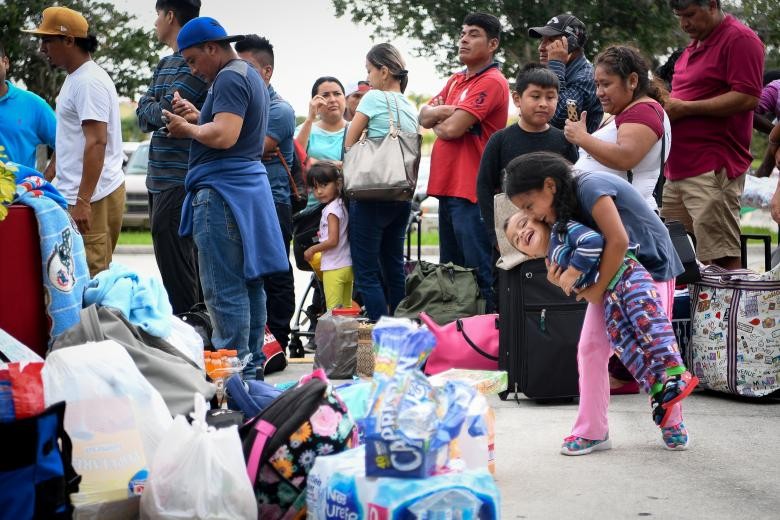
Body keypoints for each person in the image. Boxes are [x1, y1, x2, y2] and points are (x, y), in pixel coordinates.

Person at [504, 151, 690, 453]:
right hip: (613, 272)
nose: (532, 216)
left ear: (549, 186)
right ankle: (592, 431)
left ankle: (672, 420)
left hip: (650, 267)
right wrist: (571, 283)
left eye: (528, 206)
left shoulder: (588, 187)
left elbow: (618, 240)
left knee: (653, 341)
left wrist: (592, 292)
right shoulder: (560, 214)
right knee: (591, 347)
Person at [161, 16, 288, 380]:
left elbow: (225, 136)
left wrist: (186, 128)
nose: (193, 69)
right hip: (245, 192)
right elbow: (230, 129)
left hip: (222, 195)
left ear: (212, 48)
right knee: (250, 287)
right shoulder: (248, 75)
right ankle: (251, 380)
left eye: (192, 60)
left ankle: (233, 386)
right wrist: (199, 117)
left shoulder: (229, 76)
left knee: (224, 292)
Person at [661, 0, 764, 270]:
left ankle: (730, 312)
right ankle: (693, 312)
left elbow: (747, 97)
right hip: (677, 170)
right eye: (679, 17)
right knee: (677, 259)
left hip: (712, 167)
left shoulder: (739, 39)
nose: (684, 24)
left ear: (712, 5)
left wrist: (685, 109)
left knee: (721, 257)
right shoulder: (692, 46)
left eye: (690, 15)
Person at [24, 6, 126, 277]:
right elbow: (70, 139)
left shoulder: (88, 82)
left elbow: (96, 142)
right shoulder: (75, 78)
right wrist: (48, 178)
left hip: (94, 197)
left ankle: (94, 323)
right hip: (80, 194)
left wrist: (83, 200)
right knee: (74, 276)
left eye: (47, 41)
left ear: (69, 40)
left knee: (91, 278)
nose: (42, 49)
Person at [419, 12, 509, 313]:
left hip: (471, 192)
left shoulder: (493, 81)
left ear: (492, 43)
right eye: (463, 33)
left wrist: (442, 117)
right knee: (452, 275)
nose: (464, 39)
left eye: (473, 34)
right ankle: (460, 343)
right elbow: (423, 115)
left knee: (479, 273)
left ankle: (493, 344)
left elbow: (451, 129)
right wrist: (451, 111)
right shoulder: (457, 80)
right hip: (448, 189)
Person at [136, 0, 207, 315]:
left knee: (182, 268)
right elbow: (146, 115)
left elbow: (160, 113)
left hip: (180, 178)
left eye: (157, 16)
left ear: (169, 16)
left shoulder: (193, 64)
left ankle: (194, 331)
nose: (155, 24)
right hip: (157, 178)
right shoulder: (165, 64)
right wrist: (150, 104)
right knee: (168, 262)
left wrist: (150, 104)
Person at [344, 42, 419, 321]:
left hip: (370, 194)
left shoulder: (373, 99)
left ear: (384, 71)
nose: (368, 78)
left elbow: (349, 144)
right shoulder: (410, 106)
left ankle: (381, 335)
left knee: (366, 273)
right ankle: (401, 333)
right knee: (394, 267)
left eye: (369, 71)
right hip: (400, 196)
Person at [236, 34, 296, 352]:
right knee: (247, 272)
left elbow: (248, 149)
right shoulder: (239, 106)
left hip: (274, 201)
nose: (238, 74)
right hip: (245, 201)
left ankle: (280, 342)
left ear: (267, 71)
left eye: (246, 67)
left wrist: (233, 139)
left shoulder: (280, 110)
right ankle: (256, 340)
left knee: (276, 271)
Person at [477, 62, 578, 249]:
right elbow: (484, 187)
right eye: (535, 96)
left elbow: (575, 183)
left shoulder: (564, 139)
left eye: (550, 97)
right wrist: (496, 235)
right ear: (517, 99)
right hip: (514, 235)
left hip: (558, 236)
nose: (543, 104)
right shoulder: (500, 140)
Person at [566, 45, 671, 212]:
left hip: (625, 218)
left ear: (632, 81)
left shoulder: (642, 111)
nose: (599, 92)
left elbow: (625, 157)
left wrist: (582, 138)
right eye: (597, 85)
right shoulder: (629, 111)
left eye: (606, 84)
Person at [529, 14, 603, 134]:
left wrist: (556, 65)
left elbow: (558, 117)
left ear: (571, 43)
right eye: (542, 40)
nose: (541, 47)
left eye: (551, 40)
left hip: (575, 152)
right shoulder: (556, 71)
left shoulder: (586, 76)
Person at [0, 42, 56, 173]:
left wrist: (43, 181)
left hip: (19, 192)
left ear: (6, 62)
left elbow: (64, 145)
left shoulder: (34, 104)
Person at [303, 162, 353, 310]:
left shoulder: (331, 210)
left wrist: (313, 249)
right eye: (314, 187)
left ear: (337, 184)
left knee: (334, 314)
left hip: (334, 267)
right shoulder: (342, 204)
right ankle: (346, 334)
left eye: (324, 185)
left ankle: (337, 335)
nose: (318, 191)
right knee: (346, 310)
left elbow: (332, 240)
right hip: (347, 265)